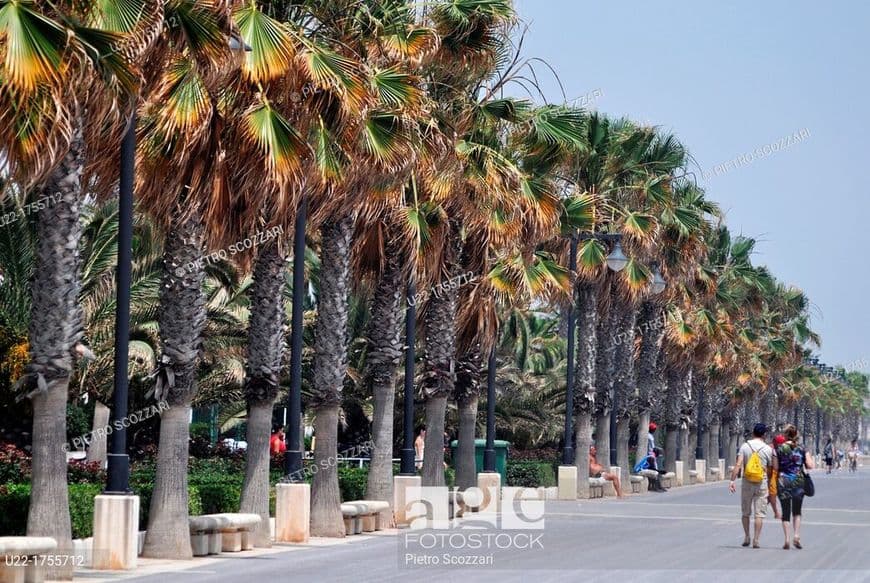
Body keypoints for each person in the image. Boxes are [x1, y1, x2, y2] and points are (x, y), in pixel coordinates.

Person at [729, 423, 774, 549]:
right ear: (764, 435)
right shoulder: (767, 449)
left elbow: (738, 464)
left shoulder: (745, 446)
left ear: (753, 433)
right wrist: (771, 485)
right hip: (762, 482)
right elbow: (770, 470)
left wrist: (732, 481)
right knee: (759, 514)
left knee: (745, 512)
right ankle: (756, 539)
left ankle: (747, 536)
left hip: (747, 482)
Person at [773, 424, 814, 550]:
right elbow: (810, 465)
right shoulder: (802, 448)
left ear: (785, 435)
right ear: (796, 434)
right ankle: (796, 535)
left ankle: (786, 539)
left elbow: (775, 467)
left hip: (783, 481)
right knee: (797, 511)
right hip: (798, 481)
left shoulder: (778, 449)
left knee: (785, 512)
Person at [645, 422, 667, 492]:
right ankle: (657, 486)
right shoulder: (650, 437)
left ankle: (655, 486)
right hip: (651, 455)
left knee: (652, 471)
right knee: (655, 471)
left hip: (650, 455)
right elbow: (652, 447)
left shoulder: (649, 436)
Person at [768, 434, 786, 520]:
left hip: (770, 474)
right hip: (772, 474)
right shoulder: (773, 449)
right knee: (773, 494)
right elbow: (775, 467)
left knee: (771, 494)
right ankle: (776, 513)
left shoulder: (770, 447)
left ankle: (775, 511)